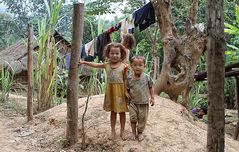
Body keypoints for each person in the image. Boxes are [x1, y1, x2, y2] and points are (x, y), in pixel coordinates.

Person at [79, 43, 128, 140]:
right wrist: (84, 62)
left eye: (117, 53)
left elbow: (126, 80)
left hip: (121, 92)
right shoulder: (106, 65)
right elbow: (96, 65)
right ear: (108, 54)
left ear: (121, 54)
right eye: (112, 53)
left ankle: (122, 131)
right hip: (111, 92)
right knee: (113, 112)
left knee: (122, 112)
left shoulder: (124, 66)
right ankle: (113, 131)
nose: (114, 55)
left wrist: (126, 91)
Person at [125, 55, 155, 141]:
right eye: (135, 65)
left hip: (144, 103)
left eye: (140, 65)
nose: (138, 67)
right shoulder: (129, 78)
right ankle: (133, 133)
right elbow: (126, 88)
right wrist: (126, 94)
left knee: (142, 119)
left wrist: (152, 98)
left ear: (144, 66)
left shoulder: (146, 77)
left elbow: (151, 87)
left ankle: (140, 132)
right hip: (133, 103)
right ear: (131, 66)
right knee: (133, 118)